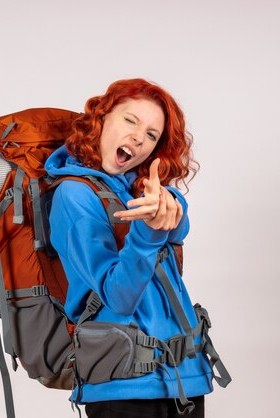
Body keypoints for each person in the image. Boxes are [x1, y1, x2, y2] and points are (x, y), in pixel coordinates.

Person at [44, 79, 213, 418]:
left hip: (186, 380)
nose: (139, 137)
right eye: (130, 121)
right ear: (101, 119)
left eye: (151, 135)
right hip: (122, 385)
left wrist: (170, 205)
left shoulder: (141, 193)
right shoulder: (73, 196)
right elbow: (118, 297)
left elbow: (180, 228)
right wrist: (150, 232)